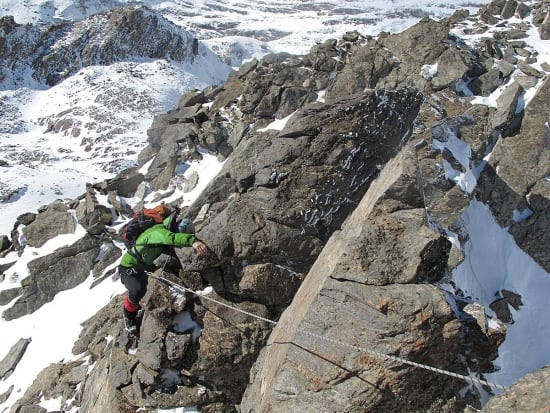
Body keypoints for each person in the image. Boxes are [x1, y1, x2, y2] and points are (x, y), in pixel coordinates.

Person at [118, 213, 209, 332]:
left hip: (144, 266)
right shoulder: (159, 232)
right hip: (128, 267)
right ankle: (128, 315)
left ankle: (138, 306)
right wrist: (193, 241)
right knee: (137, 290)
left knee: (152, 285)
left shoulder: (161, 230)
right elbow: (171, 238)